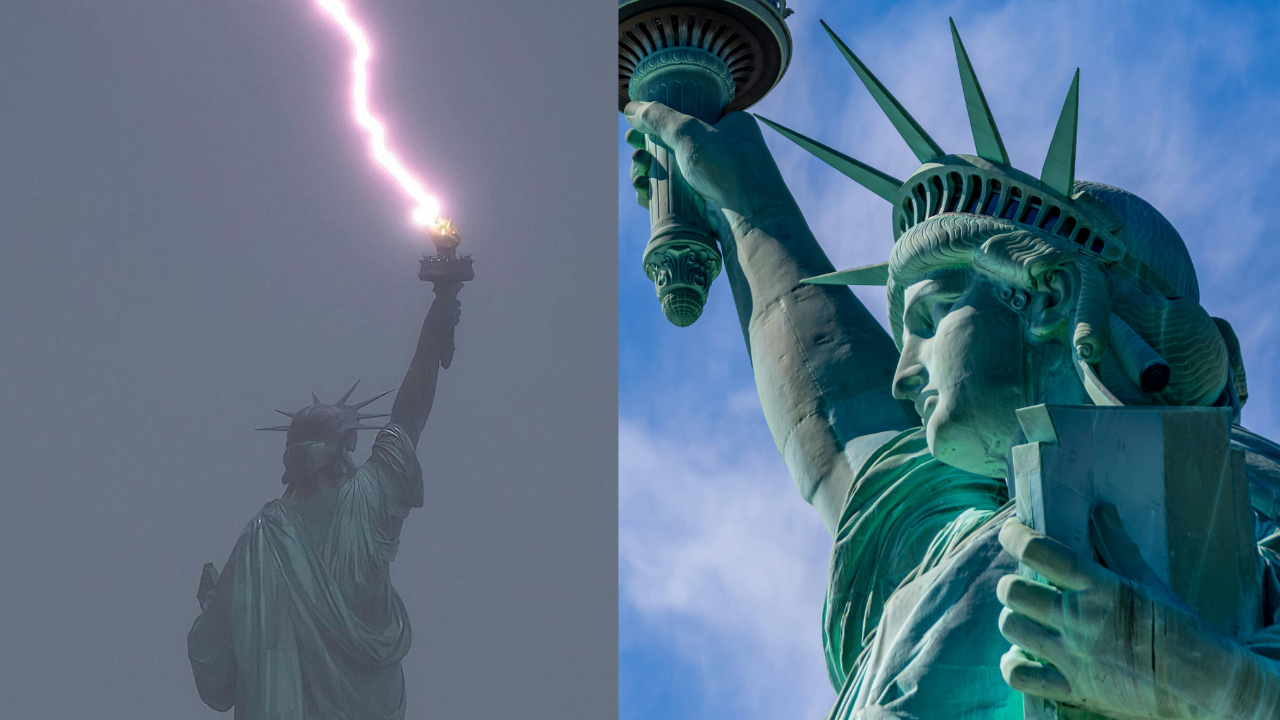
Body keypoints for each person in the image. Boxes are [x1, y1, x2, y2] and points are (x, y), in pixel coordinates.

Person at [623, 20, 1280, 720]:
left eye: (929, 320)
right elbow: (840, 420)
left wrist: (1208, 680)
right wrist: (742, 201)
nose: (904, 373)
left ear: (1047, 299)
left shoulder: (1256, 501)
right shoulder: (967, 541)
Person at [187, 271, 463, 720]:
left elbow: (215, 655)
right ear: (346, 446)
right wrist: (436, 325)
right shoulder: (357, 502)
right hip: (370, 699)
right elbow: (410, 415)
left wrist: (219, 607)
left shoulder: (266, 536)